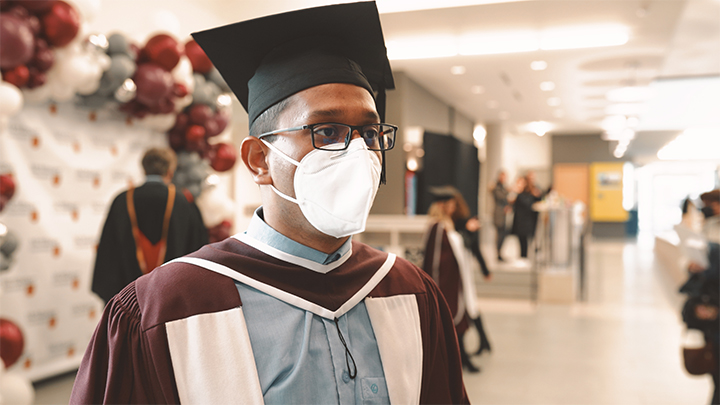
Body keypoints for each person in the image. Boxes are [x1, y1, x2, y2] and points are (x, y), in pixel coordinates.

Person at [71, 3, 468, 404]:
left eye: (369, 132)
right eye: (327, 130)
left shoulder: (411, 293)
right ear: (259, 160)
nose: (356, 152)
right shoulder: (164, 308)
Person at [90, 147, 208, 303]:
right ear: (170, 171)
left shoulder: (121, 201)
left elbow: (108, 252)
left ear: (143, 169)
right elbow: (198, 251)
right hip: (172, 302)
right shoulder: (185, 203)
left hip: (128, 303)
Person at [423, 185, 491, 373]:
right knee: (453, 323)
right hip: (445, 285)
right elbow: (434, 261)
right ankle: (461, 360)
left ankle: (462, 359)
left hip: (454, 284)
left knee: (457, 323)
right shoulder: (437, 227)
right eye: (450, 204)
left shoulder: (447, 226)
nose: (454, 207)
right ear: (443, 205)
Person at [511, 171, 543, 259]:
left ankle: (527, 256)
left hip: (527, 220)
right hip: (520, 220)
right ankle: (523, 257)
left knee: (528, 240)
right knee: (522, 241)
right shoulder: (519, 193)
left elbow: (532, 202)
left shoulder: (531, 191)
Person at [491, 170, 511, 261]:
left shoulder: (502, 187)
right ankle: (498, 253)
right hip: (498, 214)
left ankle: (500, 252)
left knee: (502, 234)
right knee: (499, 234)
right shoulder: (496, 187)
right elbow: (501, 197)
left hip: (503, 214)